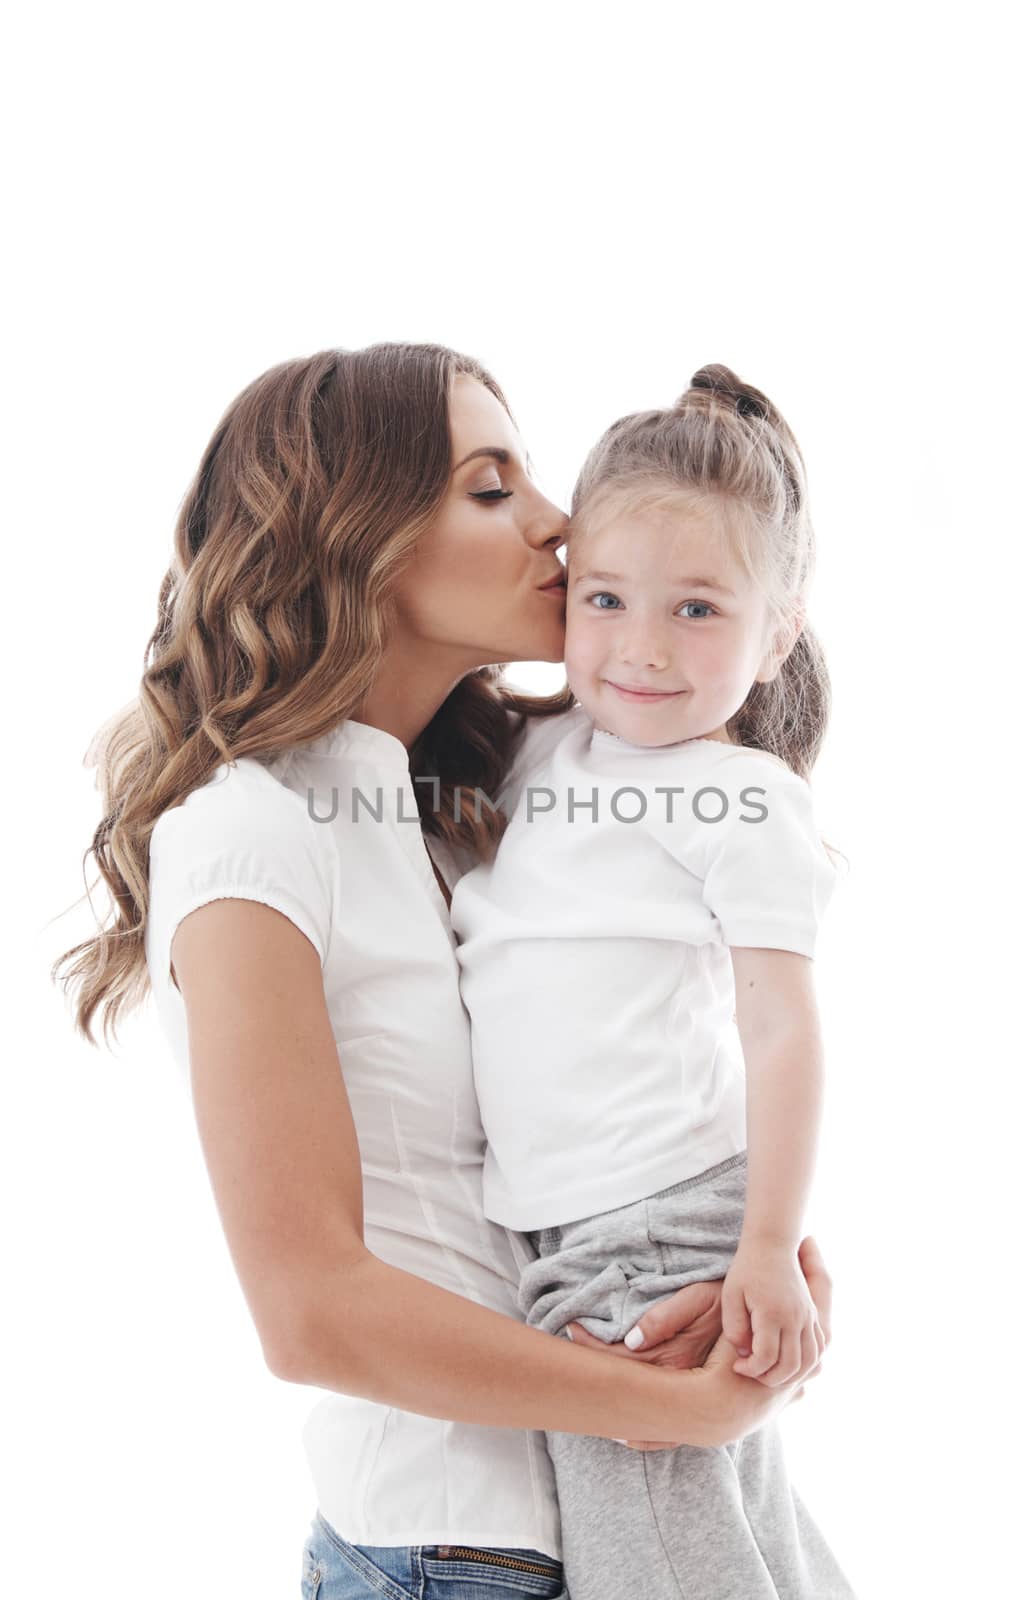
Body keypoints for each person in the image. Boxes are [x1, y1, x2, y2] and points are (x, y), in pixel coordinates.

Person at [52, 344, 833, 1599]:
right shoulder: (250, 832)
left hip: (576, 1525)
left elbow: (594, 1089)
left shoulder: (462, 807)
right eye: (491, 486)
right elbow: (311, 1312)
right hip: (448, 1548)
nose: (556, 523)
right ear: (354, 533)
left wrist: (750, 1255)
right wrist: (674, 1407)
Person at [449, 364, 858, 1598]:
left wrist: (769, 1248)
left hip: (649, 1216)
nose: (636, 648)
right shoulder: (538, 746)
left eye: (695, 611)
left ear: (775, 627)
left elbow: (781, 1029)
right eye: (608, 598)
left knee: (656, 1560)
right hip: (568, 1216)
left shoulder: (741, 799)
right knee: (714, 1529)